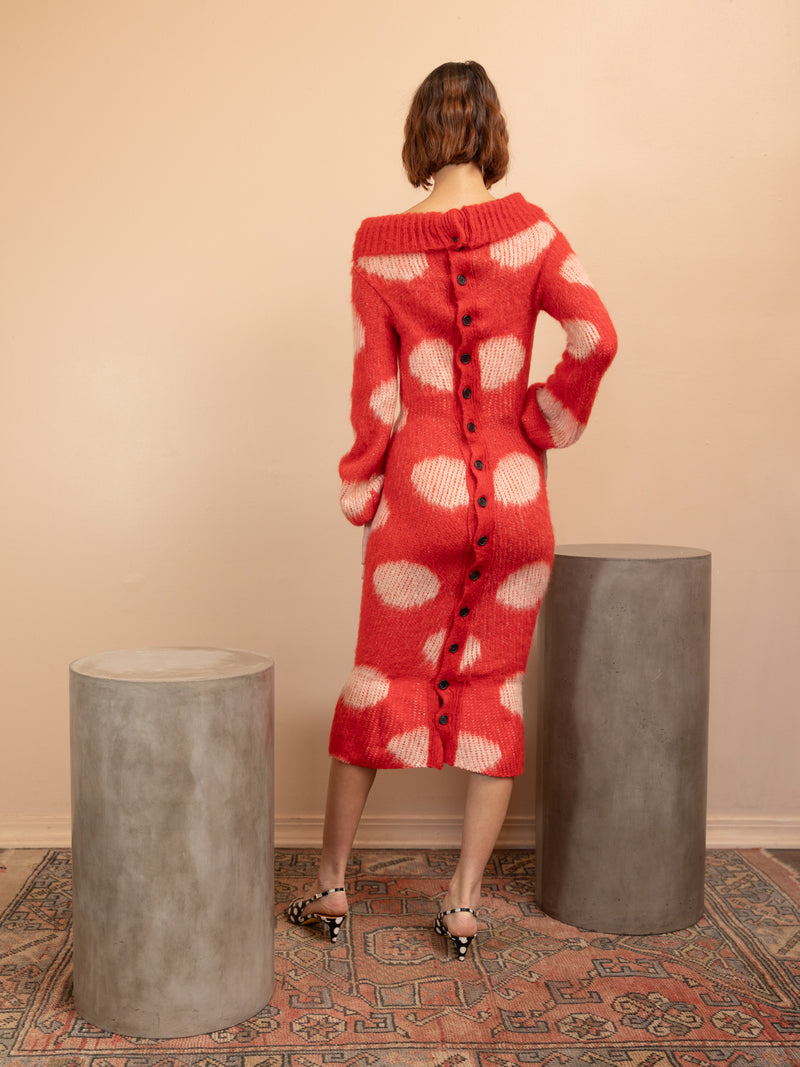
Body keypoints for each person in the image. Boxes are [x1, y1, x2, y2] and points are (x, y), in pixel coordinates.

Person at [287, 60, 617, 961]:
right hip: (517, 504)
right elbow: (597, 336)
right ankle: (464, 905)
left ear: (420, 133)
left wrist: (363, 482)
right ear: (492, 131)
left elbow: (377, 390)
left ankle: (331, 887)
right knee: (494, 691)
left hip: (418, 503)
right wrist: (545, 418)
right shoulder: (534, 231)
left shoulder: (378, 245)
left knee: (376, 682)